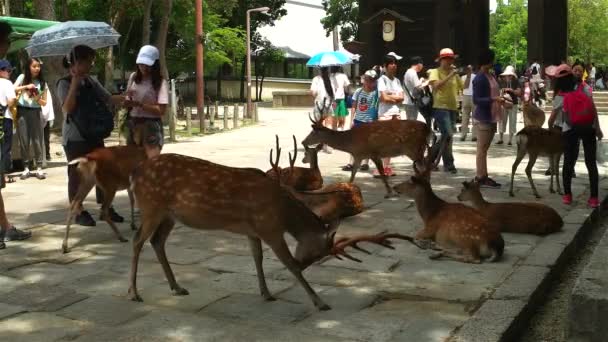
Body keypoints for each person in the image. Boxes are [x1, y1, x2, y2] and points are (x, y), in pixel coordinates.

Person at [57, 45, 126, 227]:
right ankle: (78, 210)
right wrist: (74, 82)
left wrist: (128, 98)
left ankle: (106, 208)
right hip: (75, 137)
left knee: (104, 171)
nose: (91, 65)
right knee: (77, 174)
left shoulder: (91, 81)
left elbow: (108, 98)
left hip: (94, 133)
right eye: (88, 61)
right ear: (77, 62)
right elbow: (67, 108)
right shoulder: (63, 83)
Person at [547, 64, 603, 208]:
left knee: (568, 162)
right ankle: (594, 198)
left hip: (570, 130)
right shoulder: (584, 88)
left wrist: (550, 128)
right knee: (590, 163)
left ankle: (567, 195)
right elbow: (592, 107)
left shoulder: (561, 95)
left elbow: (560, 118)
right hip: (588, 128)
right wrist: (597, 127)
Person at [0, 58, 31, 247]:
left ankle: (5, 227)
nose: (9, 73)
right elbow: (11, 100)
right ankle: (5, 228)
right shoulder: (6, 83)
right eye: (8, 70)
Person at [124, 45, 168, 159]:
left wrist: (140, 105)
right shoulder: (134, 77)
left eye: (147, 65)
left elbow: (161, 110)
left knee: (151, 162)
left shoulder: (160, 82)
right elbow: (127, 98)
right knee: (132, 162)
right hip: (133, 123)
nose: (143, 67)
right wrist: (126, 100)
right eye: (140, 64)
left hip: (151, 125)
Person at [428, 48, 463, 174]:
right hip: (440, 107)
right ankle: (446, 162)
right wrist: (450, 75)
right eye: (447, 59)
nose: (450, 61)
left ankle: (438, 161)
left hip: (453, 108)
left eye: (451, 59)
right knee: (447, 134)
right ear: (441, 60)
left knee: (447, 137)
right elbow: (436, 85)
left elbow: (464, 86)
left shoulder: (454, 73)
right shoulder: (435, 72)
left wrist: (468, 74)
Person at [472, 49, 502, 188]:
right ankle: (480, 176)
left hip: (492, 115)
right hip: (484, 117)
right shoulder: (479, 78)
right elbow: (477, 100)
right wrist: (494, 99)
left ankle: (483, 175)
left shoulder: (490, 75)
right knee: (482, 149)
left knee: (484, 149)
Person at [14, 57, 47, 180]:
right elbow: (13, 88)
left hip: (36, 112)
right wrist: (26, 87)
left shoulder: (42, 82)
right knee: (23, 140)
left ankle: (39, 167)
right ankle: (26, 167)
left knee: (37, 139)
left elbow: (44, 102)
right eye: (34, 66)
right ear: (29, 67)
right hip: (22, 112)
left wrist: (37, 97)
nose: (37, 68)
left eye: (38, 66)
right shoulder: (22, 77)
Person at [342, 69, 378, 171]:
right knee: (354, 142)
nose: (369, 82)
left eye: (372, 80)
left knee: (368, 143)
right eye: (367, 80)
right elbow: (354, 106)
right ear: (364, 80)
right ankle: (351, 163)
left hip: (370, 122)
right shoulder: (358, 91)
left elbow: (377, 107)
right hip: (358, 120)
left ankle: (365, 163)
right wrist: (351, 120)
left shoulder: (376, 93)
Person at [375, 52, 404, 177]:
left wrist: (391, 96)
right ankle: (379, 168)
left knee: (392, 143)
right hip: (385, 114)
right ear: (385, 66)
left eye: (394, 63)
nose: (394, 66)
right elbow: (383, 98)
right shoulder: (382, 80)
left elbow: (402, 98)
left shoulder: (397, 81)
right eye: (391, 63)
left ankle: (387, 167)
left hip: (396, 113)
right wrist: (394, 97)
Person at [310, 66, 336, 153]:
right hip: (329, 103)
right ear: (328, 70)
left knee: (320, 125)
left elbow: (313, 93)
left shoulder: (316, 79)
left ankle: (321, 143)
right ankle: (328, 145)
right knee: (328, 124)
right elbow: (334, 91)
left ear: (319, 70)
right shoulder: (332, 78)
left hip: (319, 104)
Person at [497, 65, 521, 145]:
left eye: (510, 75)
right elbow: (499, 91)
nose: (508, 76)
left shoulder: (516, 81)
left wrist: (512, 90)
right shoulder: (501, 81)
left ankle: (510, 140)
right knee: (501, 121)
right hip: (503, 103)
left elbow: (519, 92)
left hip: (513, 103)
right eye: (507, 75)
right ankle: (501, 138)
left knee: (512, 121)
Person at [403, 56, 426, 121]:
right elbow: (418, 87)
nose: (422, 67)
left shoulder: (409, 72)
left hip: (410, 101)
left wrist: (421, 80)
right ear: (419, 64)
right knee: (412, 122)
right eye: (422, 65)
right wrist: (427, 83)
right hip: (411, 102)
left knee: (411, 122)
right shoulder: (412, 72)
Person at [329, 66, 350, 131]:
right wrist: (347, 92)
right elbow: (347, 87)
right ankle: (341, 130)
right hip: (341, 99)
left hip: (333, 99)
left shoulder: (329, 76)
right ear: (340, 68)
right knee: (342, 116)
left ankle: (334, 131)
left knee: (334, 117)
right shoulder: (343, 76)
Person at [460, 65, 476, 141]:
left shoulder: (463, 77)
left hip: (466, 97)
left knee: (465, 117)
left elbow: (463, 87)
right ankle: (474, 136)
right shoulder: (476, 77)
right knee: (474, 117)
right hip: (474, 97)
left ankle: (463, 135)